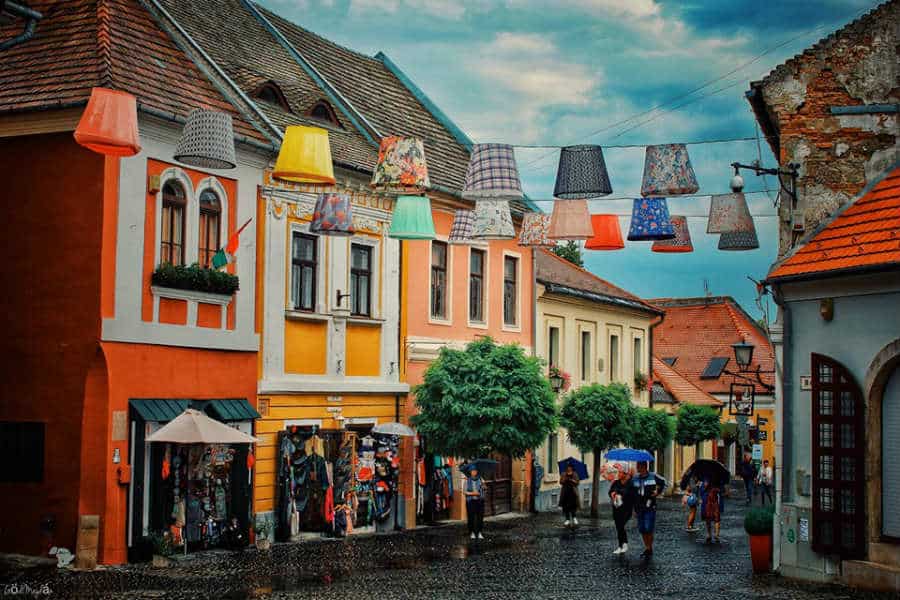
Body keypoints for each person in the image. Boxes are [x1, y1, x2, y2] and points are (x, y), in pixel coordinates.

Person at [631, 460, 667, 559]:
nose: (638, 467)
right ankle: (647, 547)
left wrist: (658, 492)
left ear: (645, 466)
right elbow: (633, 493)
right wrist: (633, 508)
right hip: (639, 507)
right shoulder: (635, 478)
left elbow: (664, 482)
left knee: (648, 527)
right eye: (637, 465)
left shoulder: (653, 476)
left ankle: (649, 547)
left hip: (650, 506)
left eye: (639, 466)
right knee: (642, 528)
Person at [608, 464, 633, 554]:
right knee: (618, 526)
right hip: (616, 507)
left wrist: (618, 492)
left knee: (621, 525)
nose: (618, 474)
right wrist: (612, 494)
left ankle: (624, 544)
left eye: (620, 472)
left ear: (625, 473)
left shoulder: (630, 483)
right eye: (618, 472)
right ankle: (620, 545)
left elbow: (628, 493)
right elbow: (610, 491)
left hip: (626, 509)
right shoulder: (616, 482)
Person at [463, 465, 485, 540]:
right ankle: (472, 532)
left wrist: (484, 484)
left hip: (479, 501)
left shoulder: (480, 479)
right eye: (472, 471)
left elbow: (484, 489)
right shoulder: (467, 480)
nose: (474, 472)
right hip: (470, 501)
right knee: (471, 517)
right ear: (470, 472)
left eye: (475, 471)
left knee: (480, 517)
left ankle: (479, 532)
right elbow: (465, 492)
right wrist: (473, 493)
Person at [700, 478, 723, 544]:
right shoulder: (704, 479)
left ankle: (716, 535)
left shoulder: (717, 478)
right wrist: (704, 486)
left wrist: (716, 489)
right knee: (708, 519)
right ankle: (709, 534)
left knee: (717, 519)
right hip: (707, 503)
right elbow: (701, 492)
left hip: (714, 502)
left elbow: (721, 491)